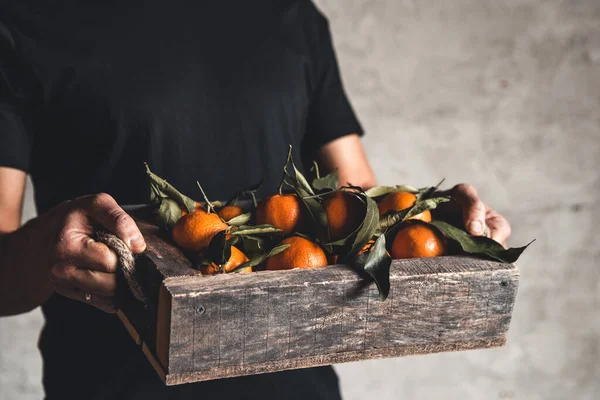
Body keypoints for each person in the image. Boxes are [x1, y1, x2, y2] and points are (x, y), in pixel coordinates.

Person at [0, 1, 511, 399]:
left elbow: (360, 208)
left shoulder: (291, 17)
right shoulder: (22, 22)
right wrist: (50, 242)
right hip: (107, 389)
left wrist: (442, 219)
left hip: (298, 390)